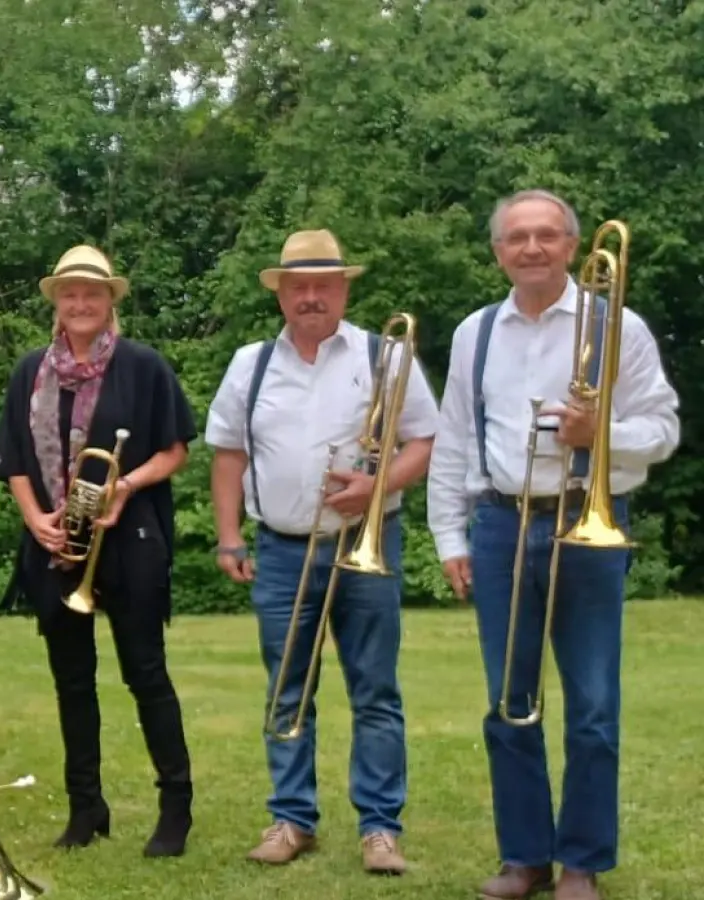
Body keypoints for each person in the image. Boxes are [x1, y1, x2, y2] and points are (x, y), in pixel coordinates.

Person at [427, 190, 679, 900]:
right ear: (498, 251)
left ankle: (583, 864)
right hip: (502, 523)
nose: (531, 248)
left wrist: (600, 435)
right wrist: (451, 533)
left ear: (572, 246)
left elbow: (662, 430)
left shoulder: (617, 326)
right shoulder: (474, 333)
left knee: (594, 702)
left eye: (546, 235)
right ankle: (524, 858)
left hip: (588, 520)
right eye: (517, 237)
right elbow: (453, 439)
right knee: (509, 699)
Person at [203, 229, 440, 875]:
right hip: (280, 549)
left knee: (376, 692)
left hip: (367, 543)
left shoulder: (384, 353)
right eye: (298, 286)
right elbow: (228, 455)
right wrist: (229, 537)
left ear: (343, 289)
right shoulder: (250, 363)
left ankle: (380, 829)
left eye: (323, 285)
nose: (311, 297)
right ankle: (291, 819)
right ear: (280, 293)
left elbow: (423, 440)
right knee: (286, 691)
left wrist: (376, 485)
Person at [0, 244, 198, 859]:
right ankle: (87, 809)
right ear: (56, 301)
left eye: (93, 293)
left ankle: (175, 810)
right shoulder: (31, 371)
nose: (81, 303)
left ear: (110, 302)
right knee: (72, 683)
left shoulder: (142, 366)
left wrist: (126, 485)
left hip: (127, 537)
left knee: (146, 676)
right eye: (70, 293)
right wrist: (36, 521)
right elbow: (15, 461)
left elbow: (175, 448)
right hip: (56, 546)